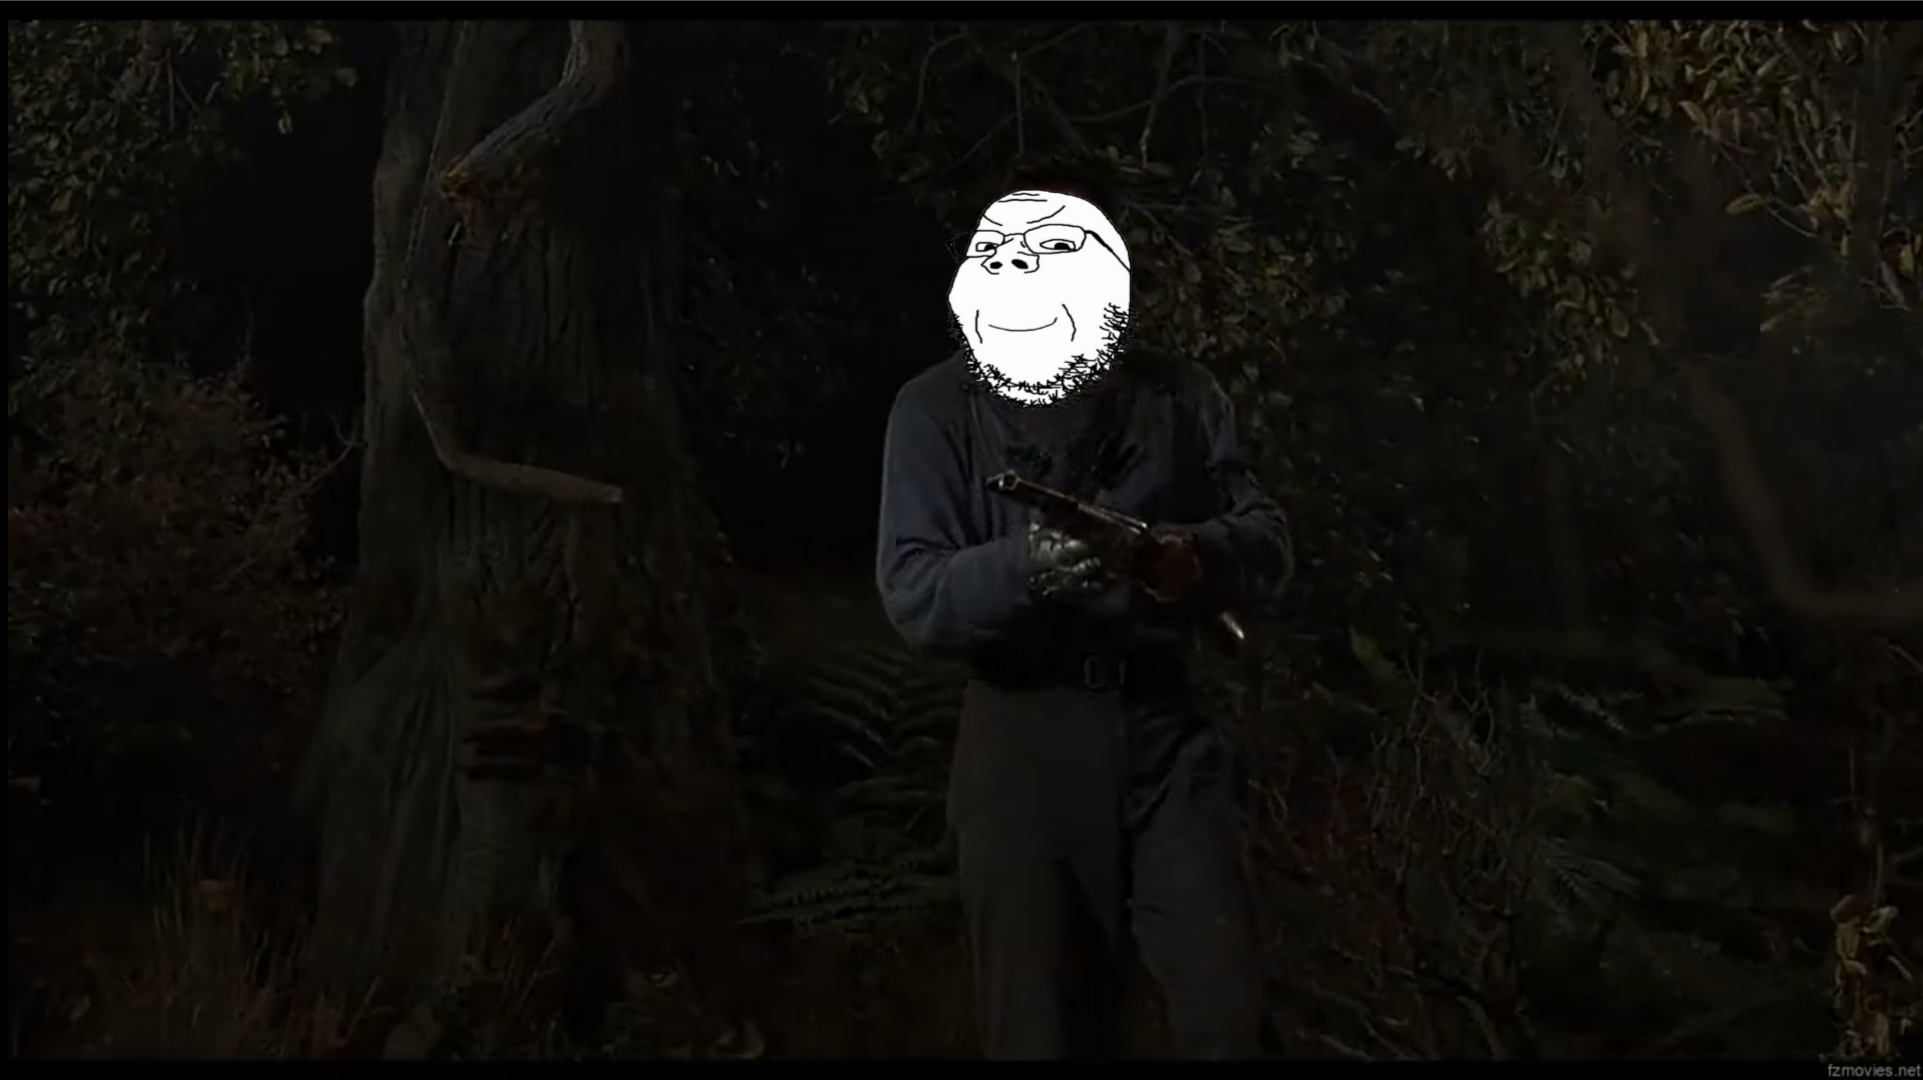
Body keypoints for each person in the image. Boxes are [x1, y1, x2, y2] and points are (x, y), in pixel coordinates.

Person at [874, 177, 1294, 1059]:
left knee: (1227, 1014)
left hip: (1164, 734)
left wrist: (1192, 558)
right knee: (1040, 1029)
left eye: (1049, 250)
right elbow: (914, 593)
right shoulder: (934, 411)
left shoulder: (1179, 398)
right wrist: (1024, 567)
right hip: (1020, 740)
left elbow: (1264, 536)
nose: (1015, 268)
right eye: (995, 253)